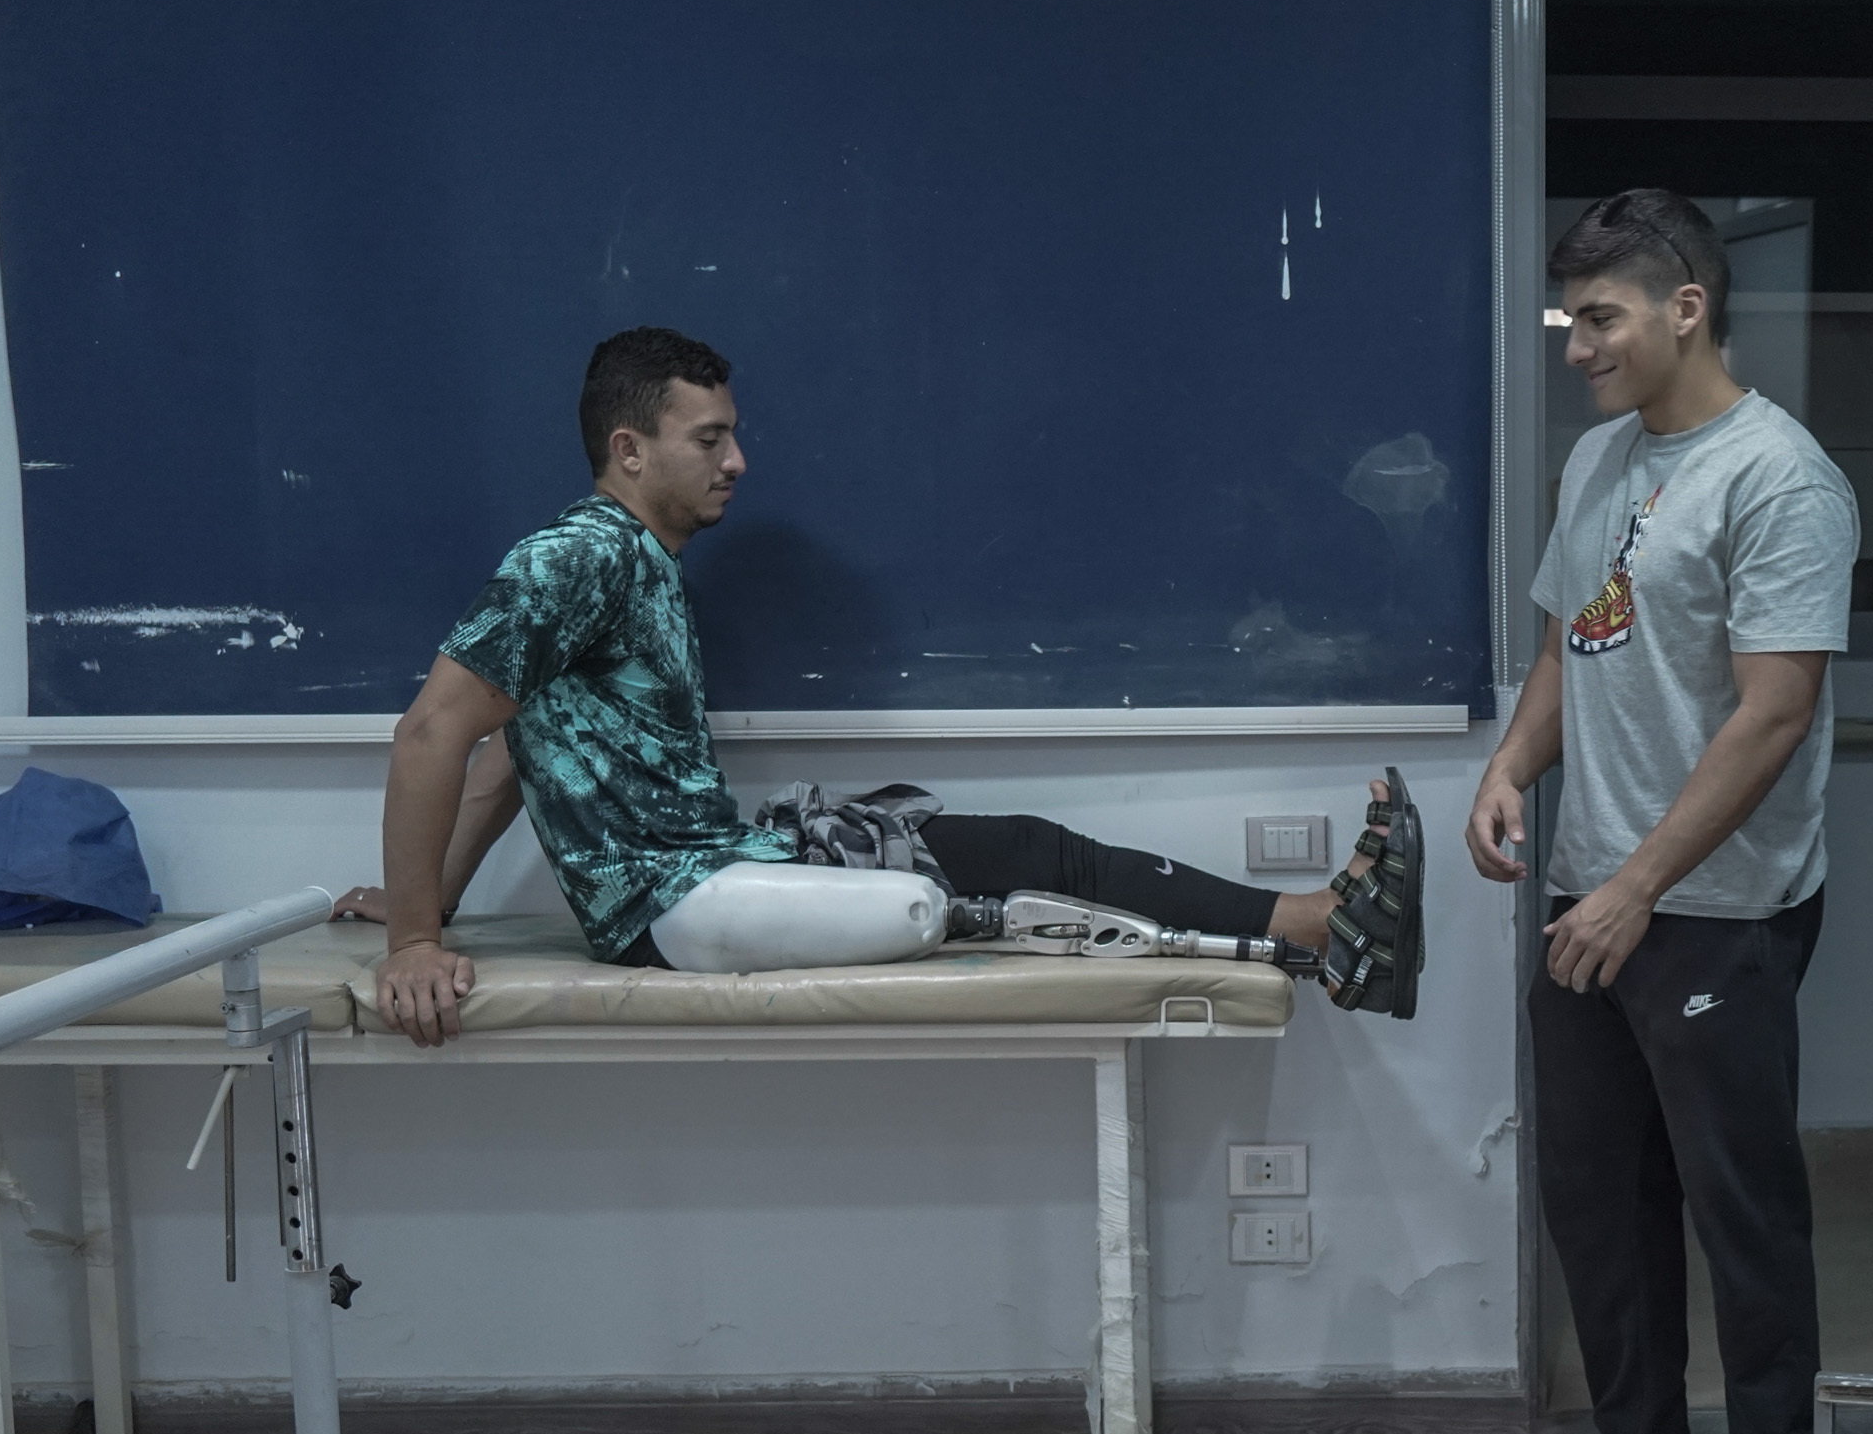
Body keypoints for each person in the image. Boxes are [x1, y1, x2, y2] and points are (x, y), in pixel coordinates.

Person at [361, 326, 1422, 1046]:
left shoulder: (637, 562)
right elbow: (433, 733)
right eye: (710, 438)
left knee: (1027, 844)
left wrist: (436, 900)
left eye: (733, 435)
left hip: (718, 866)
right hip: (674, 908)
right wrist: (414, 940)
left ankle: (1314, 921)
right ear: (629, 449)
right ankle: (1313, 930)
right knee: (941, 902)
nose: (737, 461)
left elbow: (511, 754)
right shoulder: (576, 557)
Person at [1469, 190, 1860, 1434]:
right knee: (1595, 1196)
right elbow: (1569, 645)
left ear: (1687, 308)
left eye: (1601, 318)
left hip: (1720, 910)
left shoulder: (1780, 480)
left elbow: (1774, 712)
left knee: (1739, 1209)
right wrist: (1512, 764)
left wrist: (1640, 885)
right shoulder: (1599, 460)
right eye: (1570, 320)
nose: (1577, 346)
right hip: (1592, 892)